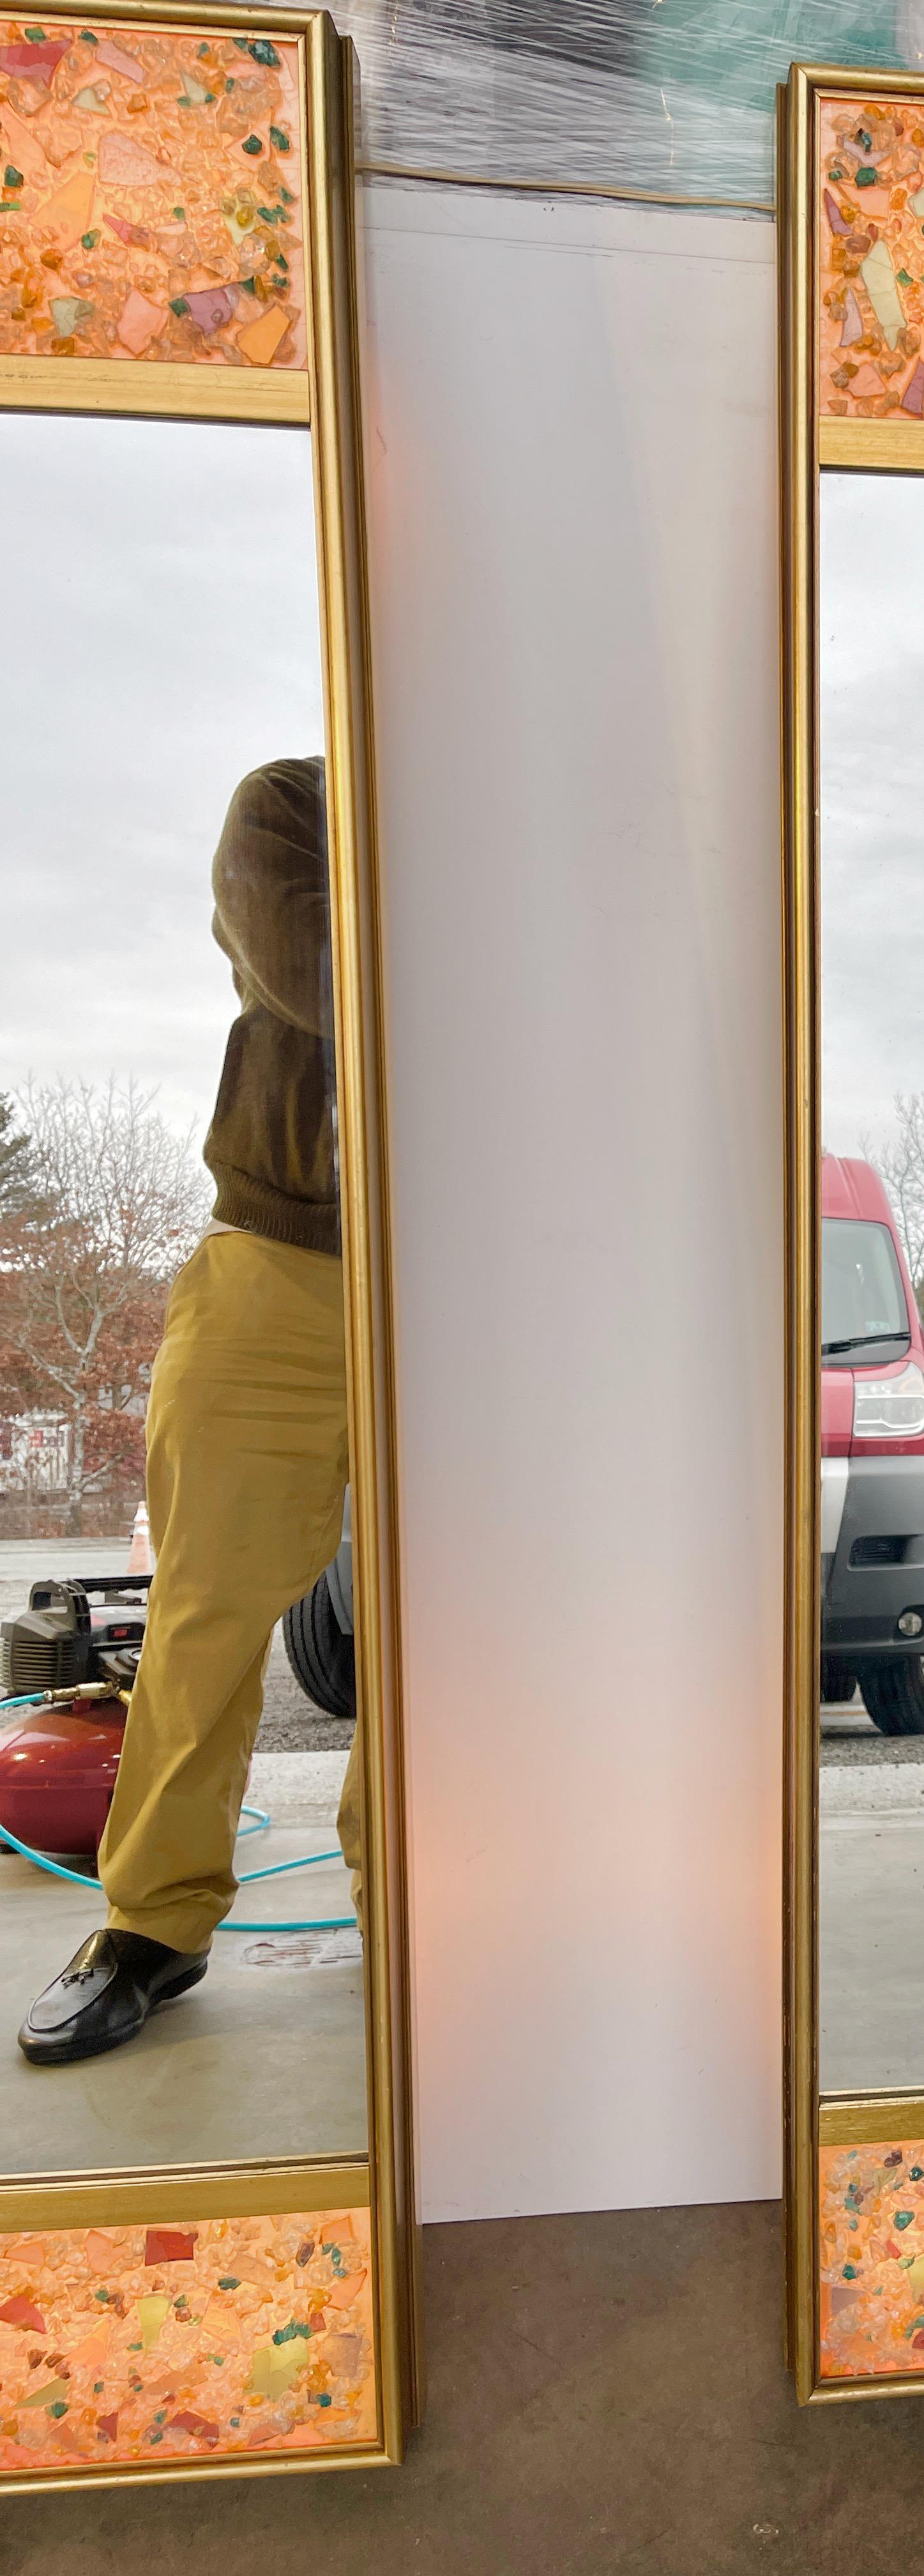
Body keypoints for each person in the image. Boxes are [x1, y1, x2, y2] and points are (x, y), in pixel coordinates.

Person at [19, 756, 361, 2066]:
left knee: (440, 1627)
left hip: (462, 1271)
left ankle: (422, 1912)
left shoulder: (515, 831)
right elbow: (320, 975)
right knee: (207, 1610)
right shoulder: (292, 805)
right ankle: (153, 1924)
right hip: (268, 1271)